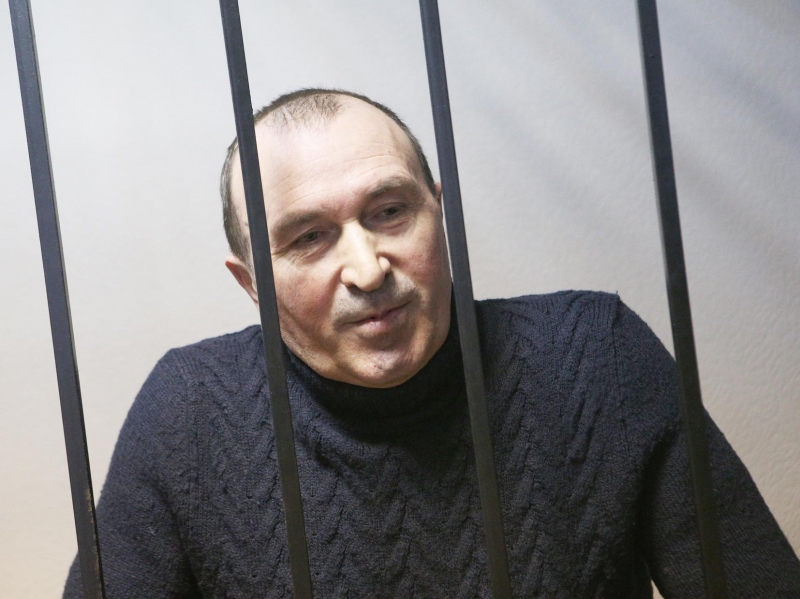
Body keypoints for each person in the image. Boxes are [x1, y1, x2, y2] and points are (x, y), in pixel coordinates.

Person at [64, 89, 800, 598]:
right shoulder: (190, 411)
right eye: (309, 237)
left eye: (389, 211)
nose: (366, 269)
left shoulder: (596, 355)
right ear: (251, 282)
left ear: (436, 213)